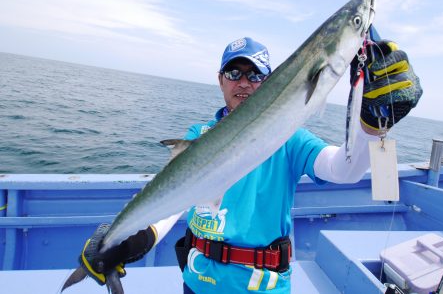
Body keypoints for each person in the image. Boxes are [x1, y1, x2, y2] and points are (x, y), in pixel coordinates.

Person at [78, 37, 422, 293]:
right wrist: (130, 237)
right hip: (197, 283)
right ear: (220, 79)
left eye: (255, 74)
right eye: (234, 71)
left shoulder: (290, 136)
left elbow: (343, 170)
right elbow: (173, 201)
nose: (244, 81)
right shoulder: (199, 135)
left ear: (270, 81)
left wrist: (370, 126)